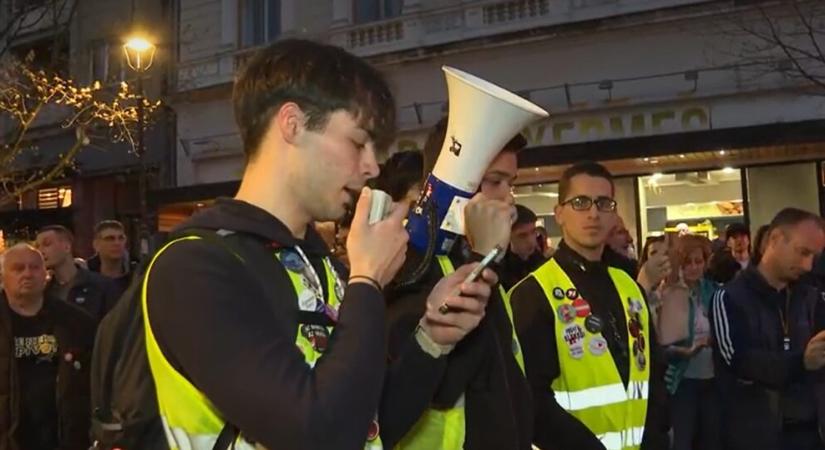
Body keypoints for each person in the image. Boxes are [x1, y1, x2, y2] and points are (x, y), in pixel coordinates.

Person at [141, 39, 494, 449]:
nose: (372, 166)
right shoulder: (194, 266)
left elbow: (369, 426)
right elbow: (318, 433)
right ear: (292, 123)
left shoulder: (320, 263)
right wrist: (367, 280)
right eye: (358, 142)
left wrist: (433, 338)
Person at [382, 117, 533, 449]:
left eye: (511, 183)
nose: (508, 198)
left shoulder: (464, 258)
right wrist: (483, 257)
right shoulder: (407, 269)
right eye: (494, 182)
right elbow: (444, 385)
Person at [510, 161, 669, 450]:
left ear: (614, 215)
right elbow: (530, 400)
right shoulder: (532, 293)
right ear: (559, 214)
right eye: (580, 203)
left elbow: (652, 374)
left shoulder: (628, 285)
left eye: (604, 203)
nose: (593, 213)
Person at [711, 208, 825, 450]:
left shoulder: (810, 297)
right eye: (802, 252)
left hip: (810, 430)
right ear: (774, 240)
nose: (807, 265)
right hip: (752, 433)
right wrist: (801, 361)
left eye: (814, 256)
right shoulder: (728, 297)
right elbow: (739, 361)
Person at [0, 244, 96, 450]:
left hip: (63, 439)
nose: (27, 273)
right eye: (18, 268)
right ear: (3, 277)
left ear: (46, 274)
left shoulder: (76, 322)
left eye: (34, 267)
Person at [659, 235, 721, 450]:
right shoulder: (670, 293)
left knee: (712, 440)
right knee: (682, 441)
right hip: (682, 380)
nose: (694, 267)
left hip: (713, 378)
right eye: (687, 262)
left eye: (699, 261)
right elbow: (662, 346)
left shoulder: (715, 292)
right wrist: (684, 351)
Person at [35, 225, 119, 322]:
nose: (40, 251)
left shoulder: (102, 286)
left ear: (67, 247)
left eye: (47, 244)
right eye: (37, 246)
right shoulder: (45, 292)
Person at [499, 204, 548, 290]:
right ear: (507, 236)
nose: (531, 241)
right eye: (522, 235)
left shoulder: (543, 263)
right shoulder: (499, 273)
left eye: (533, 232)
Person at [87, 220, 139, 296]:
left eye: (121, 238)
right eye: (110, 239)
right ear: (96, 245)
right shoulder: (86, 278)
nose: (117, 243)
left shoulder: (136, 276)